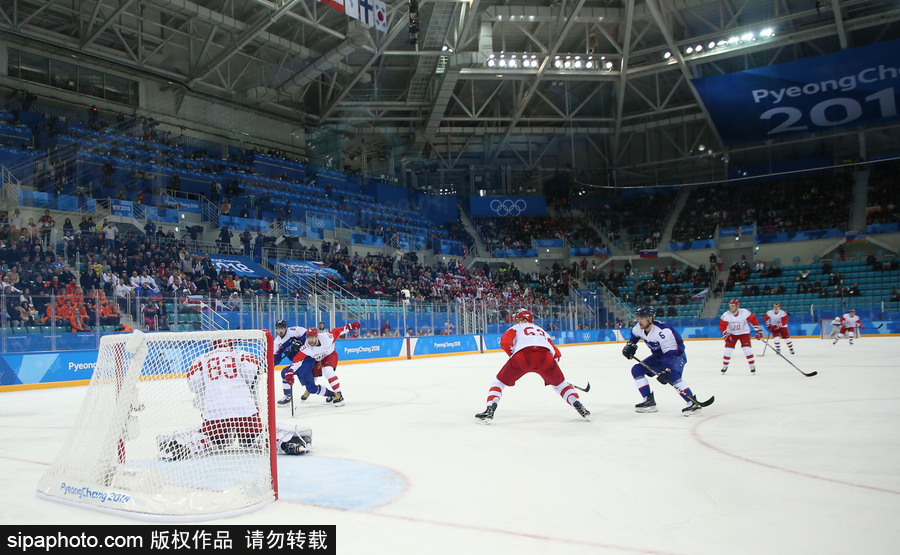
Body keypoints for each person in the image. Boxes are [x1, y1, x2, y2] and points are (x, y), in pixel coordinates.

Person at [157, 337, 311, 459]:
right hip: (243, 409)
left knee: (214, 440)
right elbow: (253, 374)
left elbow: (194, 385)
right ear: (231, 344)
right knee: (253, 438)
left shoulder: (201, 358)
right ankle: (286, 442)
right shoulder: (242, 354)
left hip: (214, 411)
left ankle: (184, 446)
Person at [474, 309, 590, 423]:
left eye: (519, 319)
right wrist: (552, 369)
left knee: (498, 382)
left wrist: (513, 355)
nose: (517, 322)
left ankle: (490, 409)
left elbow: (504, 342)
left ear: (524, 319)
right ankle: (579, 405)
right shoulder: (542, 331)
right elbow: (556, 354)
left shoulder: (516, 328)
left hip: (522, 357)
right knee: (560, 385)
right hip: (545, 357)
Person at [621, 307, 702, 415]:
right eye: (638, 318)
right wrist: (631, 344)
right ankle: (649, 400)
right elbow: (635, 335)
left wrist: (666, 369)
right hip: (659, 357)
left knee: (673, 376)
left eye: (642, 318)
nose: (639, 321)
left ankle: (692, 403)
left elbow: (671, 353)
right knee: (637, 370)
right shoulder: (639, 327)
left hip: (676, 355)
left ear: (650, 318)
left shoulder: (663, 331)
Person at [284, 322, 361, 407]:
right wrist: (290, 371)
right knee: (313, 377)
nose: (311, 340)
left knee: (328, 371)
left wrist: (350, 327)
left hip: (329, 355)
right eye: (309, 338)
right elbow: (297, 360)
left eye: (313, 338)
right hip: (317, 358)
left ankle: (339, 394)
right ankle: (311, 390)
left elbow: (338, 331)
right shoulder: (305, 348)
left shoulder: (326, 338)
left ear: (317, 336)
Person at [719, 298, 763, 374]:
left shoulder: (745, 312)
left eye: (733, 305)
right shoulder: (726, 315)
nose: (731, 307)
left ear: (737, 306)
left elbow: (753, 321)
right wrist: (725, 335)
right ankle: (724, 366)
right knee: (728, 350)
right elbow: (722, 326)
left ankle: (752, 366)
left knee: (747, 349)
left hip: (744, 333)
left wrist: (758, 331)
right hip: (732, 334)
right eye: (730, 305)